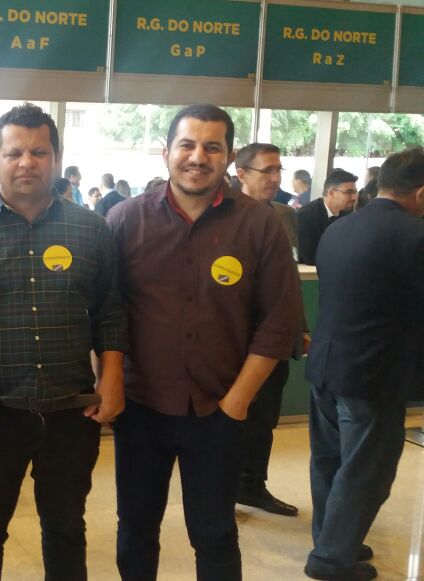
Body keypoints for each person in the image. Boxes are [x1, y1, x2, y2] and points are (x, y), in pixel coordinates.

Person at [107, 105, 302, 580]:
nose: (198, 157)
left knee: (214, 533)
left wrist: (236, 404)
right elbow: (105, 313)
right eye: (187, 145)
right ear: (166, 153)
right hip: (141, 408)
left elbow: (278, 323)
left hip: (220, 410)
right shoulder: (125, 220)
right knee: (135, 528)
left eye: (212, 147)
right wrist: (108, 385)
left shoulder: (260, 225)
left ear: (229, 157)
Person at [0, 103, 128, 581]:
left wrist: (112, 379)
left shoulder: (91, 230)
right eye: (14, 153)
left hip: (72, 411)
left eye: (39, 152)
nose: (26, 162)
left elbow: (109, 312)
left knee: (66, 529)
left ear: (56, 159)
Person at [304, 147, 424, 581]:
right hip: (374, 375)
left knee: (330, 462)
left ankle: (335, 538)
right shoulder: (415, 235)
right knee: (366, 470)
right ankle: (332, 558)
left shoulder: (339, 227)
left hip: (325, 365)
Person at [233, 143, 305, 517]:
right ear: (241, 173)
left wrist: (299, 327)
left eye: (279, 170)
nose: (275, 178)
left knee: (265, 421)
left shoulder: (284, 215)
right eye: (267, 171)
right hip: (237, 341)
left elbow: (289, 280)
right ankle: (221, 490)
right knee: (234, 421)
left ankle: (252, 485)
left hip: (278, 336)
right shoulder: (225, 214)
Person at [297, 168, 358, 266]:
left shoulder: (349, 215)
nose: (354, 197)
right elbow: (309, 256)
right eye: (349, 192)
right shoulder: (306, 215)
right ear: (331, 193)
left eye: (355, 192)